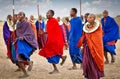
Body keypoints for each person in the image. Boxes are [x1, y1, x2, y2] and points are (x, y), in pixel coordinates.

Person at [77, 14, 104, 79]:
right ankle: (88, 76)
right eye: (88, 17)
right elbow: (84, 37)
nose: (89, 19)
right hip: (87, 48)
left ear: (94, 19)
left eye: (91, 17)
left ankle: (95, 76)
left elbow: (98, 37)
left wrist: (91, 42)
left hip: (95, 48)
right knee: (86, 62)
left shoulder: (98, 27)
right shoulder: (85, 27)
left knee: (95, 63)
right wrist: (82, 46)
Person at [39, 10, 66, 74]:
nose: (46, 14)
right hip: (51, 39)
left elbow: (56, 32)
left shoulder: (54, 21)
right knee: (50, 53)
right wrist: (44, 32)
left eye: (48, 13)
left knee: (49, 53)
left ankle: (56, 68)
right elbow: (50, 31)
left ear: (51, 14)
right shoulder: (48, 21)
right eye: (46, 13)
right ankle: (62, 58)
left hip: (55, 40)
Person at [16, 12, 38, 78]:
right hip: (19, 42)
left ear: (23, 16)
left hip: (26, 43)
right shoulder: (17, 24)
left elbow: (31, 34)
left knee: (19, 58)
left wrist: (24, 37)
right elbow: (17, 32)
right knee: (19, 59)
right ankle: (28, 64)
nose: (19, 16)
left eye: (20, 14)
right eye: (18, 14)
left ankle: (26, 70)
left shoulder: (27, 23)